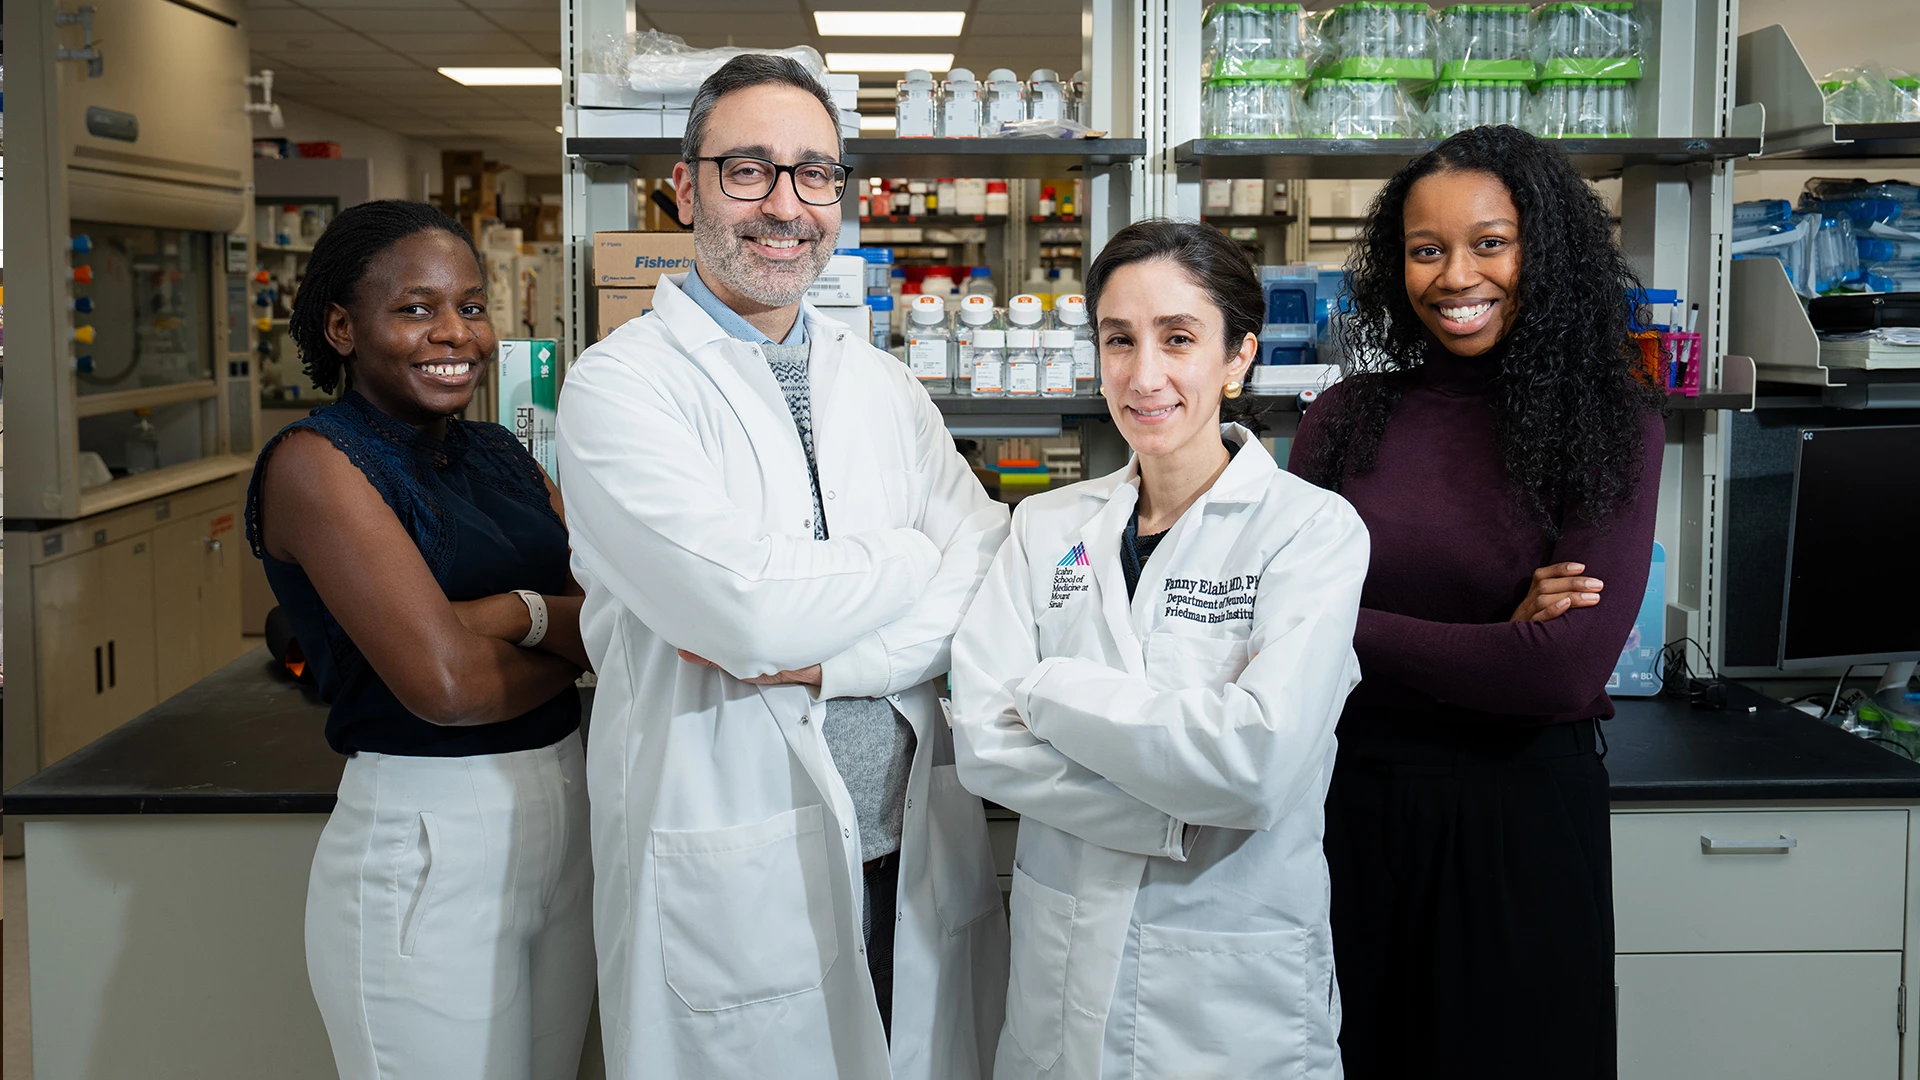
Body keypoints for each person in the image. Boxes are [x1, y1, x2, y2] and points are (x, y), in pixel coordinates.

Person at [554, 55, 1011, 1080]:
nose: (787, 206)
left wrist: (841, 655)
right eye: (748, 170)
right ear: (685, 187)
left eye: (815, 174)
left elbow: (986, 565)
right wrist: (908, 553)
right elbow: (746, 612)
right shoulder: (619, 390)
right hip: (737, 865)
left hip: (908, 852)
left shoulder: (882, 383)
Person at [950, 219, 1370, 1079]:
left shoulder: (1311, 532)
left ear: (1237, 357)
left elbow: (1254, 764)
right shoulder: (1045, 527)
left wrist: (1052, 692)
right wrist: (1178, 805)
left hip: (1227, 1000)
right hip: (1059, 986)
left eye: (1179, 339)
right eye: (1119, 340)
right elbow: (985, 747)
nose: (1145, 376)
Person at [1289, 125, 1666, 1079]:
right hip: (1351, 808)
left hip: (1521, 819)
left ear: (1546, 249)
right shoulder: (1345, 419)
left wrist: (1343, 625)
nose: (1456, 276)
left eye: (1490, 242)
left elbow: (1562, 671)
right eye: (1427, 250)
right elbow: (1280, 631)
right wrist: (1490, 638)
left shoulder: (1611, 424)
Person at [245, 200, 596, 1079]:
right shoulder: (316, 464)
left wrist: (513, 616)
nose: (454, 334)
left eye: (471, 307)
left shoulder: (501, 455)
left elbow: (612, 629)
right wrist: (556, 627)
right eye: (415, 309)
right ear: (341, 327)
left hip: (567, 803)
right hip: (430, 833)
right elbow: (448, 690)